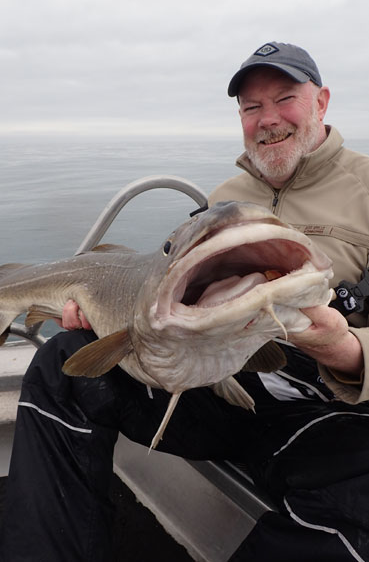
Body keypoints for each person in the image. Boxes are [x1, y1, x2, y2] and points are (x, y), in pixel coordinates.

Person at [1, 42, 369, 562]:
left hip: (325, 407)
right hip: (215, 381)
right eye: (250, 107)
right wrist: (106, 313)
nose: (267, 120)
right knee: (65, 362)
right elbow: (168, 283)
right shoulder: (224, 193)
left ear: (322, 102)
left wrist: (345, 350)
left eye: (285, 98)